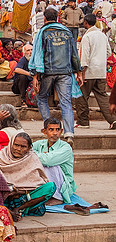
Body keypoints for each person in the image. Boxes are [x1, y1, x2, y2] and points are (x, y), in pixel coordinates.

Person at [29, 8, 82, 147]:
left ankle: (50, 128)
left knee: (41, 98)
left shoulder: (42, 33)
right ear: (58, 17)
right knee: (66, 102)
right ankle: (69, 133)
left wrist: (35, 75)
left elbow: (38, 54)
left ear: (45, 19)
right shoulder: (67, 32)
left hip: (47, 72)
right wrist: (79, 72)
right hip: (65, 72)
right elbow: (74, 54)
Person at [0, 132, 55, 220]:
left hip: (23, 197)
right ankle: (13, 210)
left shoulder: (32, 158)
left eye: (23, 147)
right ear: (11, 144)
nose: (18, 149)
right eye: (16, 145)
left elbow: (38, 183)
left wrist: (19, 192)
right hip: (5, 196)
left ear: (29, 148)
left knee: (50, 187)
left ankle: (19, 209)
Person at [75, 14, 116, 129]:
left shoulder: (87, 37)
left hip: (89, 72)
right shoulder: (102, 35)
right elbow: (108, 52)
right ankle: (113, 119)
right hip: (101, 71)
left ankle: (83, 121)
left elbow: (85, 56)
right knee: (102, 96)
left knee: (82, 96)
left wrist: (81, 72)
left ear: (86, 23)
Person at [32, 118, 76, 204]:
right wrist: (42, 156)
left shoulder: (66, 147)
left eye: (57, 130)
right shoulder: (40, 144)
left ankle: (57, 197)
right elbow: (27, 151)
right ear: (44, 131)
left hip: (64, 185)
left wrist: (39, 156)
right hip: (44, 181)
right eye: (51, 130)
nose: (55, 133)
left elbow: (48, 161)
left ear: (61, 131)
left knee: (50, 165)